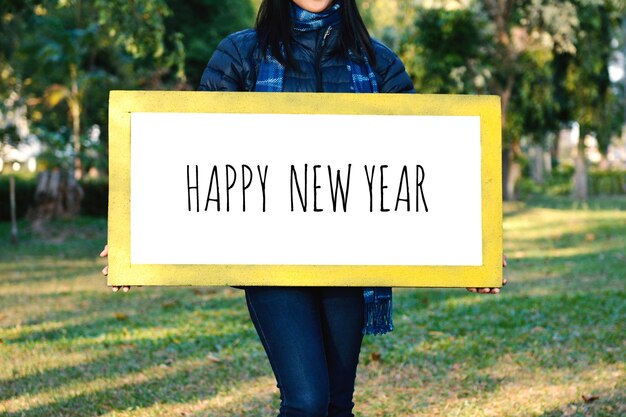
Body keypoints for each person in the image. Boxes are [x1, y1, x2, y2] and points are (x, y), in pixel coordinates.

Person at [100, 1, 507, 416]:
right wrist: (135, 238)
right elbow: (193, 156)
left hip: (353, 260)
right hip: (269, 261)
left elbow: (424, 163)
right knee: (307, 401)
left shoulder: (378, 62)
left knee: (335, 404)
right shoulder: (242, 54)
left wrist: (475, 252)